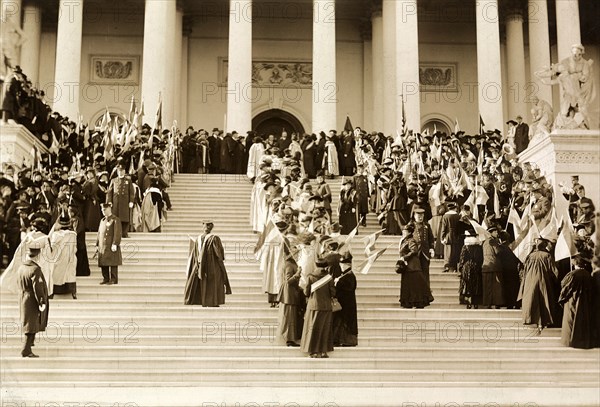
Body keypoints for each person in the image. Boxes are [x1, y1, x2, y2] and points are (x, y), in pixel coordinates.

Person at [184, 220, 232, 307]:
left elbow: (195, 254)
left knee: (201, 280)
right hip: (211, 265)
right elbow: (219, 253)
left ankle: (200, 300)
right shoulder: (214, 238)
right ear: (211, 227)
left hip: (198, 264)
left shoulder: (198, 239)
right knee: (213, 281)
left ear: (203, 227)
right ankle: (211, 301)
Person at [518, 238, 559, 335]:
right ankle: (544, 322)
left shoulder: (530, 256)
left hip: (530, 281)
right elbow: (554, 271)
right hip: (543, 281)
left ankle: (533, 320)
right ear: (544, 246)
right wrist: (555, 281)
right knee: (544, 300)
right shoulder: (547, 255)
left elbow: (524, 271)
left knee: (532, 300)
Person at [17, 244, 49, 357]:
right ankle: (26, 350)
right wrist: (41, 301)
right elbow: (38, 287)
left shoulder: (21, 267)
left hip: (23, 297)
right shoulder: (35, 269)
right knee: (31, 324)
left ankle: (30, 345)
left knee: (29, 323)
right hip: (32, 299)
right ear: (37, 256)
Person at [559, 250, 595, 349]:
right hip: (585, 302)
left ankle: (571, 341)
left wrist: (562, 299)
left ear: (575, 263)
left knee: (571, 321)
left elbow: (565, 288)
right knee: (582, 322)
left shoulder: (573, 274)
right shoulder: (588, 274)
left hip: (573, 301)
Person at [301, 256, 335, 358]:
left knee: (312, 329)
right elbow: (333, 292)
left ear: (316, 265)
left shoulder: (310, 277)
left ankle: (314, 352)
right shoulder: (329, 278)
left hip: (313, 306)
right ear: (325, 266)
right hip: (326, 307)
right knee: (325, 329)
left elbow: (306, 292)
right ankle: (324, 351)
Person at [397, 223, 434, 308]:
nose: (403, 232)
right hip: (408, 267)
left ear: (409, 232)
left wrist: (404, 258)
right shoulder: (405, 240)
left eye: (405, 231)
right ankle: (408, 302)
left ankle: (417, 302)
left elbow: (414, 251)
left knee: (414, 285)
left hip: (412, 266)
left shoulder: (411, 240)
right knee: (408, 285)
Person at [277, 249, 305, 347]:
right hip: (289, 294)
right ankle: (289, 339)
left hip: (291, 293)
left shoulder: (290, 263)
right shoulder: (289, 264)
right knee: (289, 317)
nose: (298, 256)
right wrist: (298, 273)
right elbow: (288, 280)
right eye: (297, 254)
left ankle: (291, 338)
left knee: (291, 316)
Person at [48, 213, 78, 299]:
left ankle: (53, 291)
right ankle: (72, 292)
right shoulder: (73, 235)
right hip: (69, 258)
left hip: (58, 257)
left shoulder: (55, 235)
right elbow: (75, 248)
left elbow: (51, 244)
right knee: (69, 274)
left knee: (56, 273)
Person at [332, 252, 358, 347]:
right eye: (341, 264)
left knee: (347, 322)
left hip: (348, 303)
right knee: (339, 321)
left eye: (344, 264)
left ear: (349, 265)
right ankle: (338, 339)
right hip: (342, 302)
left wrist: (338, 283)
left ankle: (348, 341)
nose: (342, 266)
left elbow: (349, 288)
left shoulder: (350, 276)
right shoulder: (344, 275)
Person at [96, 203, 122, 285]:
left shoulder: (115, 219)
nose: (103, 211)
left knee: (113, 262)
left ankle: (114, 279)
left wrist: (115, 243)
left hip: (111, 244)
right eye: (102, 210)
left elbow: (117, 232)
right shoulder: (102, 220)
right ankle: (106, 278)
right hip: (102, 245)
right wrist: (97, 245)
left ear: (109, 209)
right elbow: (99, 233)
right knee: (103, 262)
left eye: (104, 210)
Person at [106, 164, 135, 237]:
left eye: (122, 171)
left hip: (125, 202)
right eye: (119, 171)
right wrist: (109, 201)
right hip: (116, 202)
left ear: (124, 171)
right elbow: (110, 192)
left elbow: (131, 192)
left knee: (125, 218)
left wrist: (131, 201)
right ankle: (116, 233)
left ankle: (124, 233)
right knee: (115, 218)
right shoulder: (114, 180)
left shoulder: (128, 180)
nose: (120, 172)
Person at [458, 231, 483, 309]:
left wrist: (460, 268)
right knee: (476, 285)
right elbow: (481, 258)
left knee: (467, 285)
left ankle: (468, 302)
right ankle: (475, 303)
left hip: (467, 267)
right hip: (476, 267)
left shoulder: (465, 247)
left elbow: (462, 259)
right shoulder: (478, 247)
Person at [481, 226, 504, 308]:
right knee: (496, 287)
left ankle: (487, 303)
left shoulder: (484, 242)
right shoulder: (493, 241)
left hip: (486, 266)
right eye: (495, 232)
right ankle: (497, 303)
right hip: (494, 266)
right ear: (491, 233)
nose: (497, 233)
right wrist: (500, 246)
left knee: (487, 286)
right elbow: (498, 252)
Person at [412, 207, 435, 287]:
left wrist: (431, 248)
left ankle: (426, 289)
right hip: (415, 252)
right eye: (418, 216)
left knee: (425, 271)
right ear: (414, 216)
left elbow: (431, 238)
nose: (420, 218)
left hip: (425, 252)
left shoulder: (427, 226)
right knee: (416, 271)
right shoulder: (411, 225)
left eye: (422, 216)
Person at [441, 201, 461, 273]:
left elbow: (443, 228)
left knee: (447, 251)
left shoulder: (445, 216)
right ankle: (454, 267)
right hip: (456, 235)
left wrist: (442, 237)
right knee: (455, 251)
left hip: (448, 235)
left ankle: (446, 266)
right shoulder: (458, 216)